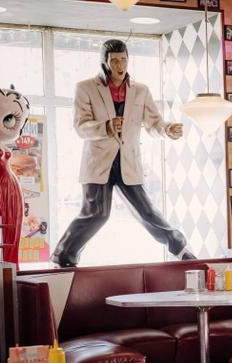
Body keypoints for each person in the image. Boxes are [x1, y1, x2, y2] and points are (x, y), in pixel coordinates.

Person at [51, 39, 195, 267]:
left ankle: (181, 249)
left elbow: (154, 123)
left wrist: (168, 129)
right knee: (96, 214)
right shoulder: (85, 88)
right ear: (105, 62)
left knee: (147, 212)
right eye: (114, 61)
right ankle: (62, 256)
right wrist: (106, 127)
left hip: (128, 162)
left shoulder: (141, 90)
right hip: (98, 162)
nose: (120, 65)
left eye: (124, 60)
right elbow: (80, 126)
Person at [0, 83, 30, 267]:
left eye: (8, 119)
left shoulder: (3, 149)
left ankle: (7, 267)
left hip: (9, 194)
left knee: (8, 234)